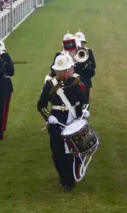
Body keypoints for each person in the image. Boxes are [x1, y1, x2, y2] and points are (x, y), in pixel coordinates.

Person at [37, 54, 88, 193]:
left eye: (62, 70)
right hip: (56, 121)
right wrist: (48, 117)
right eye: (58, 71)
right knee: (57, 153)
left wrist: (84, 111)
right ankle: (62, 177)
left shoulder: (76, 82)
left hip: (72, 120)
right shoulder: (49, 84)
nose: (60, 73)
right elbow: (41, 105)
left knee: (70, 152)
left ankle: (69, 182)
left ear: (67, 70)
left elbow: (83, 101)